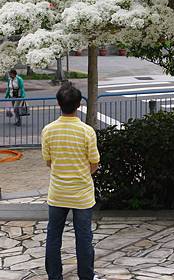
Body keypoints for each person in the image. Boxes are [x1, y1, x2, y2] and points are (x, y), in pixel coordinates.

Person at [41, 82, 104, 280]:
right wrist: (82, 173)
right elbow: (94, 163)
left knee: (53, 237)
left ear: (59, 104)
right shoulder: (87, 131)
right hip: (82, 194)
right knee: (84, 237)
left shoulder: (48, 130)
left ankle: (54, 276)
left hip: (58, 193)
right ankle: (86, 276)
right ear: (78, 105)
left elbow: (49, 161)